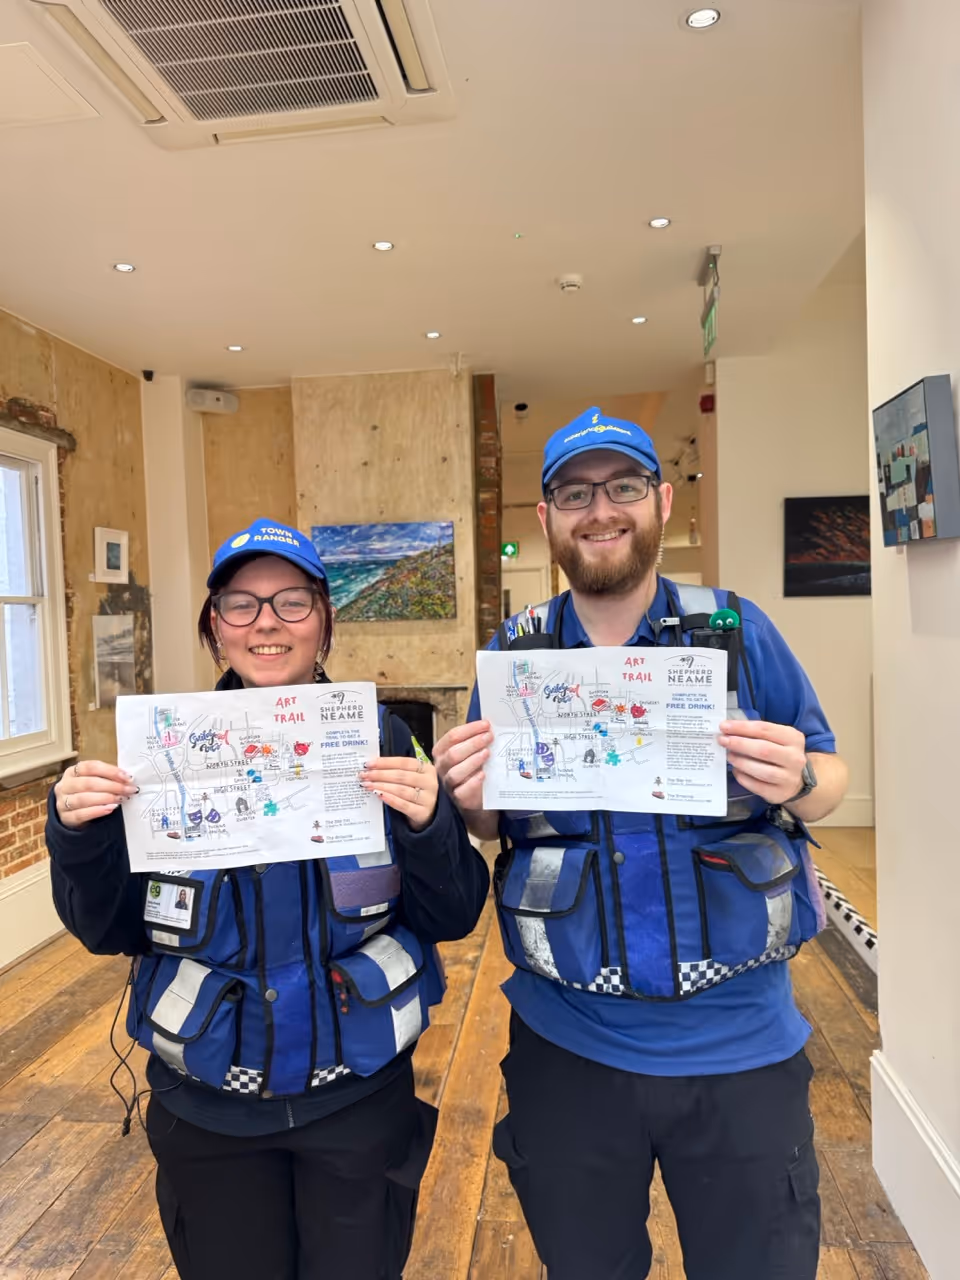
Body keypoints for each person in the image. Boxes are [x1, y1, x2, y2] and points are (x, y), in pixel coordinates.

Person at [433, 408, 849, 1280]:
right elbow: (491, 826)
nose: (601, 510)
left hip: (742, 1042)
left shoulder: (735, 631)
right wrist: (467, 803)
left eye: (623, 487)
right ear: (544, 520)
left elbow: (829, 778)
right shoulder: (514, 658)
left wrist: (801, 779)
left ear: (660, 501)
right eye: (574, 493)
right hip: (568, 1044)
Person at [46, 517, 489, 1280]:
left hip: (356, 1101)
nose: (267, 624)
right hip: (207, 1107)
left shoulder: (385, 741)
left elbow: (453, 914)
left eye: (291, 602)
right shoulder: (163, 756)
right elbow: (108, 927)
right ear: (216, 631)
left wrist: (428, 823)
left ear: (324, 624)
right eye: (241, 606)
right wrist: (77, 834)